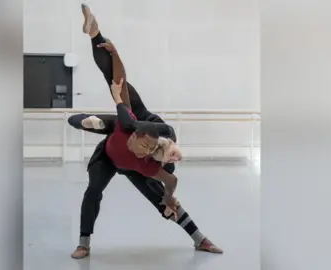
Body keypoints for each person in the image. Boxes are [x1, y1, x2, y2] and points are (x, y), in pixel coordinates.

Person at [69, 4, 223, 259]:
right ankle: (83, 242)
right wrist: (108, 47)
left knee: (163, 204)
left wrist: (169, 198)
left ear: (149, 154)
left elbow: (170, 181)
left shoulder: (148, 166)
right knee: (94, 185)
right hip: (119, 138)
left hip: (130, 140)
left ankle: (199, 239)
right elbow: (117, 78)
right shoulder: (138, 125)